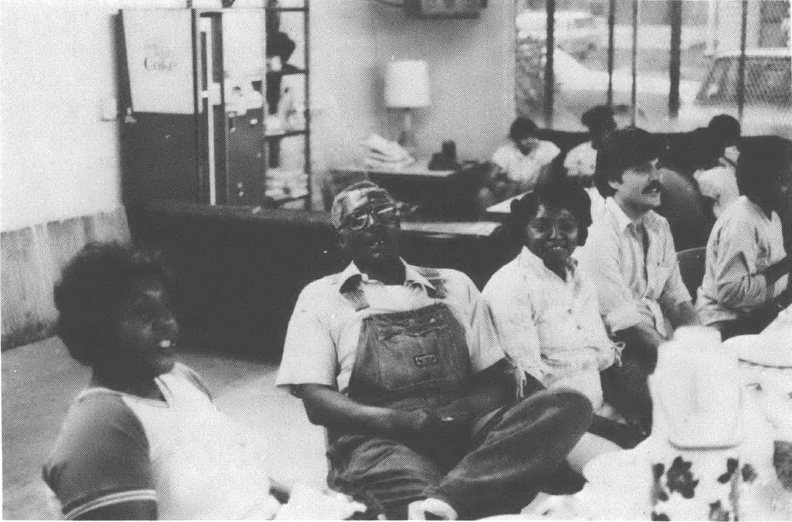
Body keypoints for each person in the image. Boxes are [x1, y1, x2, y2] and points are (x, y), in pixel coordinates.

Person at [276, 181, 593, 520]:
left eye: (383, 213)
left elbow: (496, 379)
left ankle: (450, 500)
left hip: (463, 426)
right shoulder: (321, 298)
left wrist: (451, 416)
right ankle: (461, 496)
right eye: (358, 219)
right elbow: (316, 401)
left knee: (568, 404)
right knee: (417, 491)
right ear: (340, 238)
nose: (374, 225)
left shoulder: (454, 284)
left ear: (399, 223)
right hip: (381, 440)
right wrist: (402, 422)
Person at [43, 242, 365, 520]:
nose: (166, 323)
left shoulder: (180, 379)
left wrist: (308, 499)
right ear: (96, 330)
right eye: (143, 314)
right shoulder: (102, 427)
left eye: (166, 309)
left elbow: (230, 472)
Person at [483, 177, 643, 448]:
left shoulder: (580, 279)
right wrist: (615, 431)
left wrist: (632, 413)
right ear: (524, 230)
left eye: (567, 226)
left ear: (581, 232)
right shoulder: (511, 286)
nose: (556, 235)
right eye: (542, 226)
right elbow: (531, 394)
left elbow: (603, 362)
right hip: (548, 426)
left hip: (599, 414)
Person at [576, 127, 702, 436]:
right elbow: (626, 324)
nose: (657, 177)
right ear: (613, 180)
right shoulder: (598, 233)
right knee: (683, 417)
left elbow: (677, 299)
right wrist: (680, 360)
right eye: (643, 169)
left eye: (657, 166)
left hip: (655, 343)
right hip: (616, 355)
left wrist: (704, 349)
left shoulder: (659, 226)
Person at [696, 137, 792, 339]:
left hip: (755, 316)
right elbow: (730, 294)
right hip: (724, 325)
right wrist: (784, 267)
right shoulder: (742, 220)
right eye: (784, 181)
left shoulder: (772, 215)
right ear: (759, 181)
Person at [478, 117, 561, 209]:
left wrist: (525, 187)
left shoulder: (546, 147)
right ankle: (493, 221)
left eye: (533, 136)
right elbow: (490, 176)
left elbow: (545, 179)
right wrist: (498, 184)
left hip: (536, 190)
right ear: (515, 139)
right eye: (525, 138)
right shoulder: (505, 151)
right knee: (483, 193)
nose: (530, 140)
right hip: (511, 190)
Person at [564, 106, 617, 222]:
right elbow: (570, 180)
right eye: (595, 129)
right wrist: (582, 179)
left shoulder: (619, 153)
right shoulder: (578, 152)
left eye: (607, 129)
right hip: (584, 200)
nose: (602, 134)